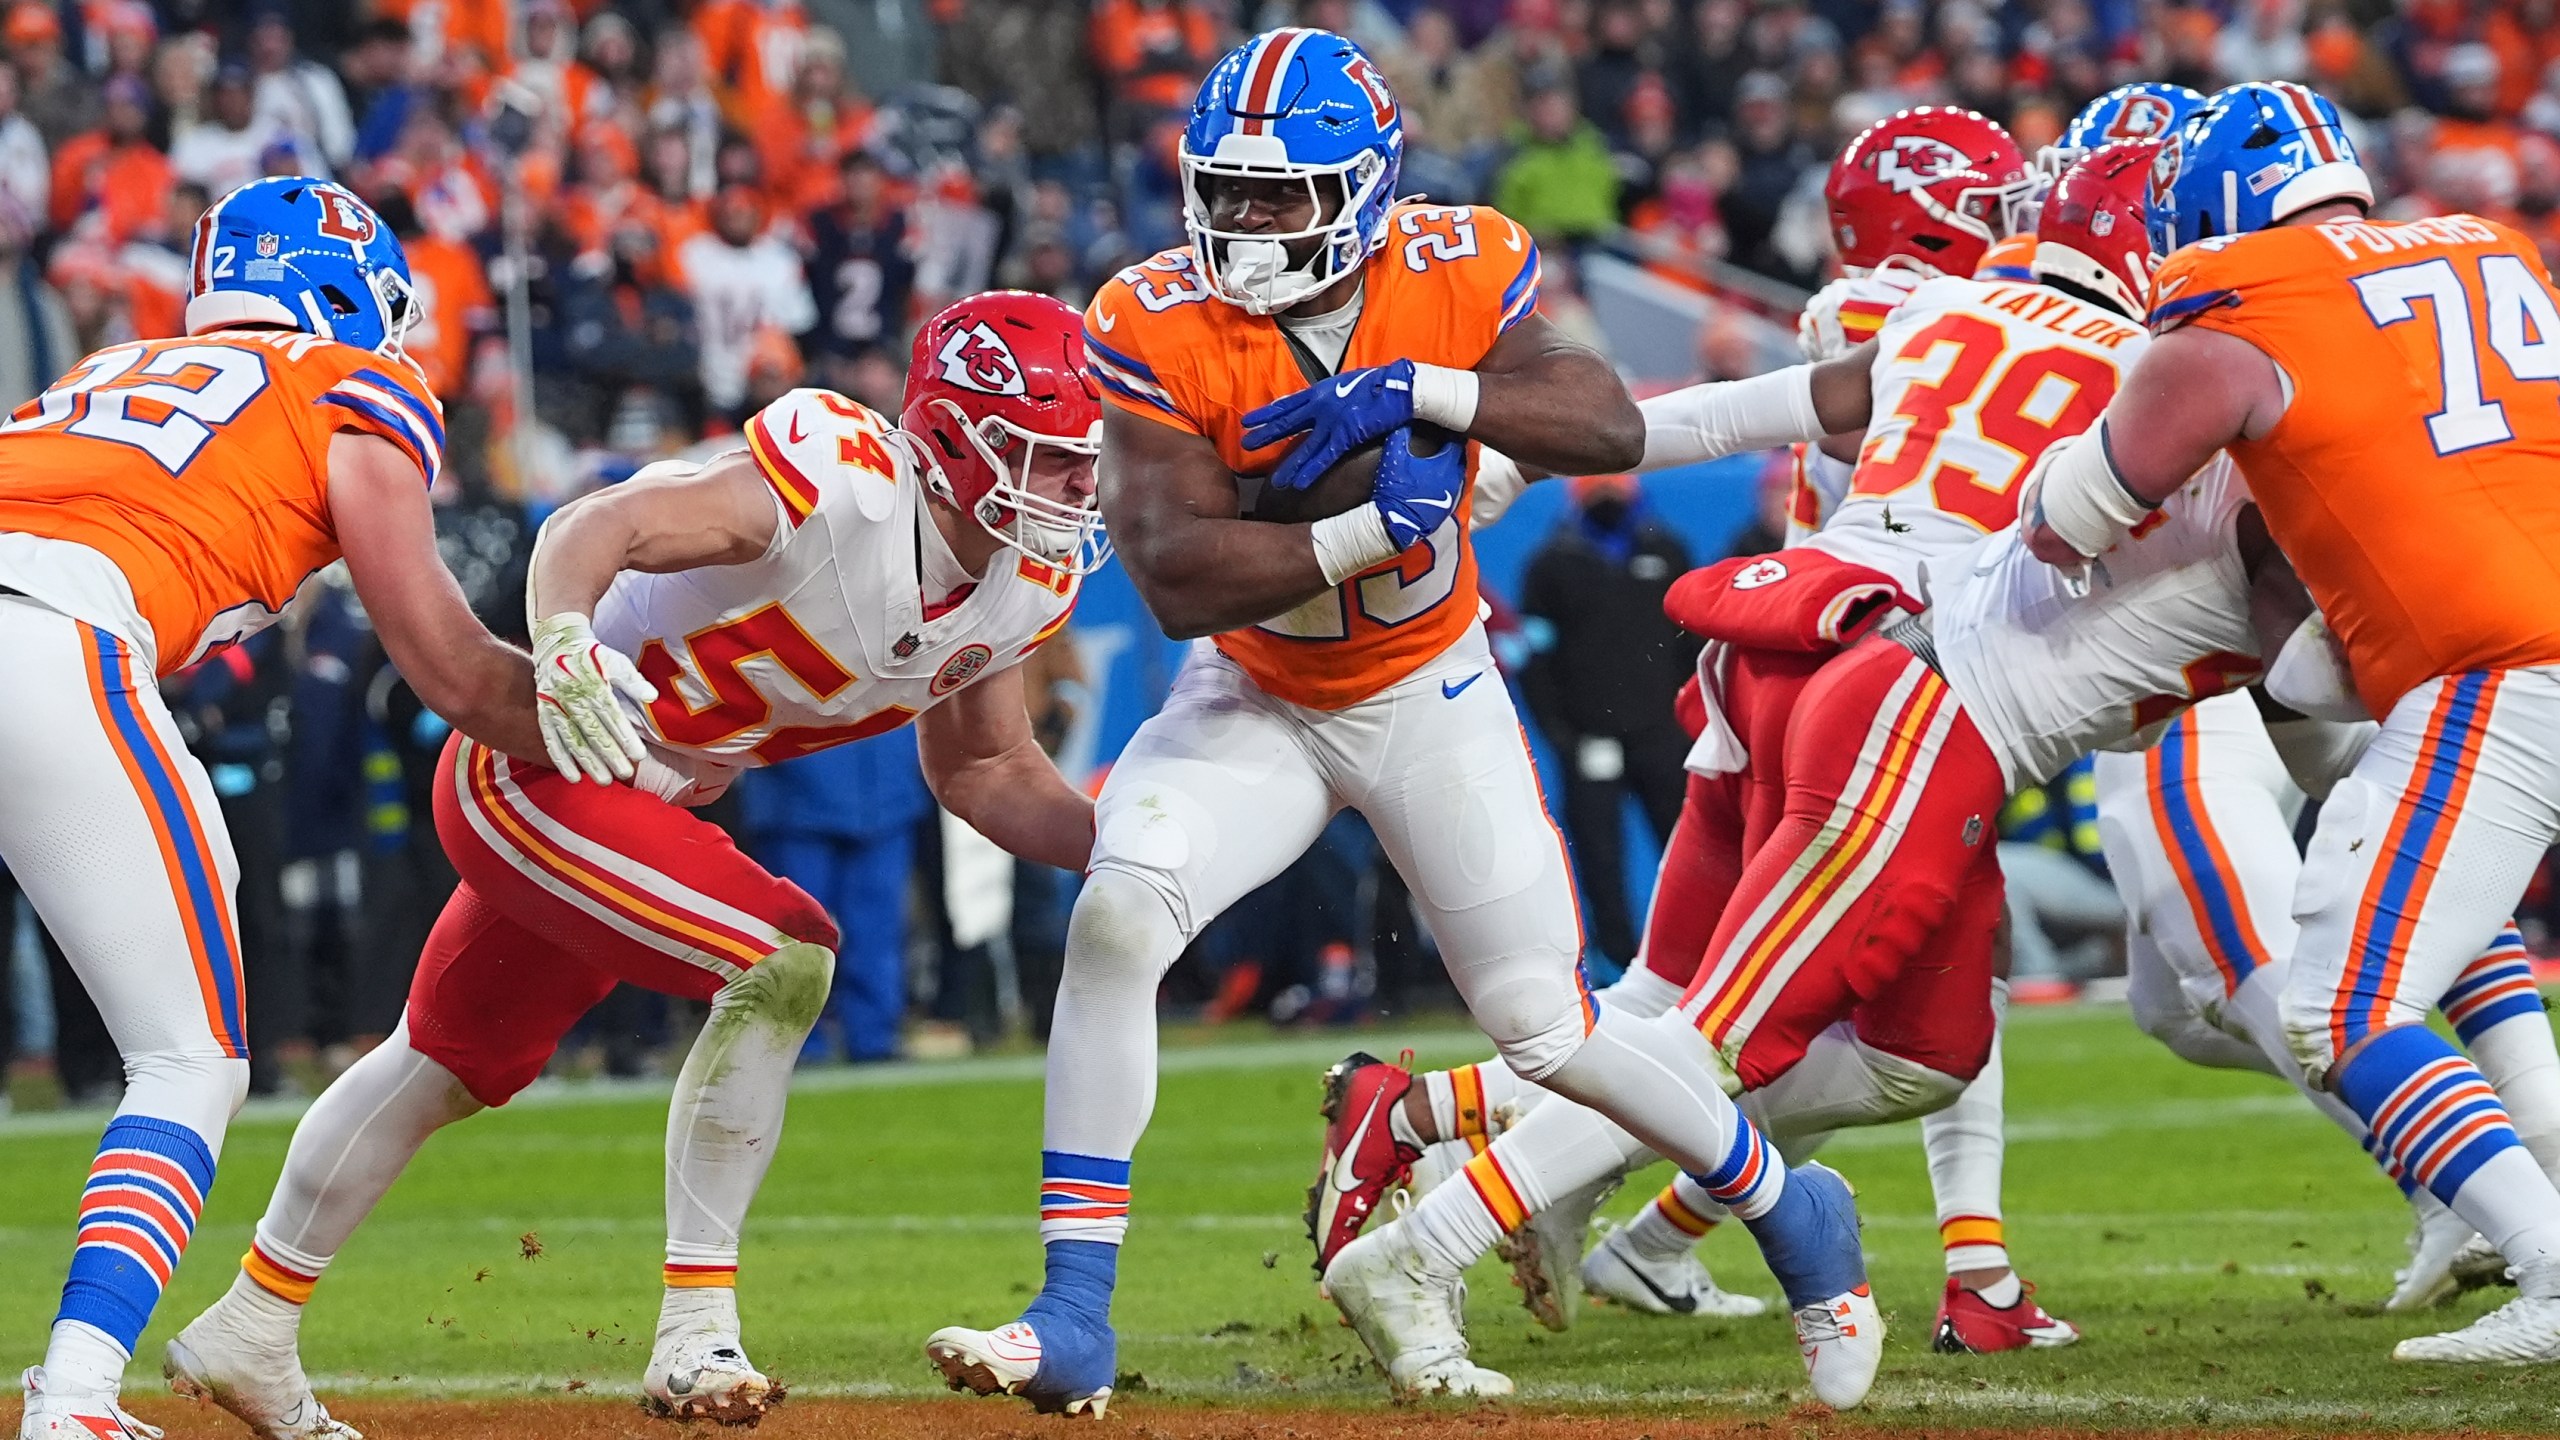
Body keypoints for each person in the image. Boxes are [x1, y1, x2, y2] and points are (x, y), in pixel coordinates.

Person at [923, 28, 1879, 1415]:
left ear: (1368, 191)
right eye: (1225, 190)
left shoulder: (1456, 265)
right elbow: (1179, 576)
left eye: (1276, 195)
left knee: (1545, 1026)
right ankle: (1073, 1313)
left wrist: (1430, 393)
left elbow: (1605, 426)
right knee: (1120, 915)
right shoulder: (1149, 317)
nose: (1241, 224)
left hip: (1429, 691)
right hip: (1254, 692)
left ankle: (1791, 1213)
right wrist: (1371, 525)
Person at [164, 291, 1108, 1434]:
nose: (1075, 486)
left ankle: (250, 1323)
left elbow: (989, 771)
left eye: (1082, 458)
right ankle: (693, 1332)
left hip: (638, 801)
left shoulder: (1024, 581)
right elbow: (596, 527)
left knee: (446, 1062)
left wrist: (1136, 858)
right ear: (955, 442)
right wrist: (561, 642)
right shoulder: (838, 479)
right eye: (1047, 458)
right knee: (785, 957)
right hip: (546, 755)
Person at [1315, 141, 2160, 1391]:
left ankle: (1491, 1149)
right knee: (1746, 1031)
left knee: (1721, 1009)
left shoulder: (1937, 309)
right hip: (1894, 685)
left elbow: (1713, 417)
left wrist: (1507, 460)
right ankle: (1448, 1215)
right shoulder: (2148, 365)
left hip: (1769, 649)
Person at [0, 176, 562, 1440]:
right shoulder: (353, 386)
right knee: (188, 1056)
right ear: (337, 287)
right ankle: (78, 1396)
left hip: (36, 600)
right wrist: (604, 724)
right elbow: (445, 661)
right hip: (54, 636)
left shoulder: (111, 362)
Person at [2022, 80, 2560, 1363]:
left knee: (2339, 1008)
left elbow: (2076, 516)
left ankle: (2545, 1265)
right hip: (2509, 645)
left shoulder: (2237, 290)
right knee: (2413, 935)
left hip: (2503, 670)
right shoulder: (2491, 246)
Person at [1518, 473, 1696, 971]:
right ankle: (1617, 963)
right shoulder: (1551, 564)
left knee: (1683, 848)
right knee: (1599, 858)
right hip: (1590, 737)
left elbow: (1694, 646)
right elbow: (1534, 656)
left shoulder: (1668, 553)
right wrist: (1560, 735)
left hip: (1662, 733)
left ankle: (1691, 957)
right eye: (1595, 487)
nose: (1607, 496)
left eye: (1613, 485)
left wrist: (1691, 722)